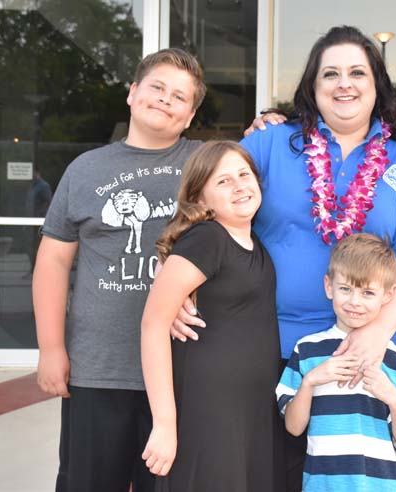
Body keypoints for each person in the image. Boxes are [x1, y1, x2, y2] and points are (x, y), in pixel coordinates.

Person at [174, 26, 396, 490]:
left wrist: (376, 333)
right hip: (262, 342)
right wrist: (176, 285)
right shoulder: (273, 142)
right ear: (312, 88)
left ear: (377, 84)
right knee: (262, 475)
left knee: (344, 479)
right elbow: (206, 202)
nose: (344, 83)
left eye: (357, 72)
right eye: (329, 74)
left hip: (360, 351)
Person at [32, 48, 206, 492]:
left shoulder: (206, 165)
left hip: (182, 369)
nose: (166, 100)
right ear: (132, 94)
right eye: (157, 88)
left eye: (180, 97)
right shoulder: (85, 170)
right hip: (99, 367)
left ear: (189, 116)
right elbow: (53, 261)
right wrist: (51, 347)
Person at [140, 141, 283, 491]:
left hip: (248, 412)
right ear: (200, 200)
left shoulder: (253, 241)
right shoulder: (207, 239)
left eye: (243, 174)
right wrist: (164, 423)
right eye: (222, 181)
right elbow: (153, 324)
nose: (238, 186)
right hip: (209, 414)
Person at [276, 233, 396, 492]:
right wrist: (310, 382)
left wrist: (394, 400)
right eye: (345, 289)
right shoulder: (308, 351)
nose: (354, 302)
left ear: (388, 295)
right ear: (328, 286)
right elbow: (293, 428)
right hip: (322, 486)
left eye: (368, 292)